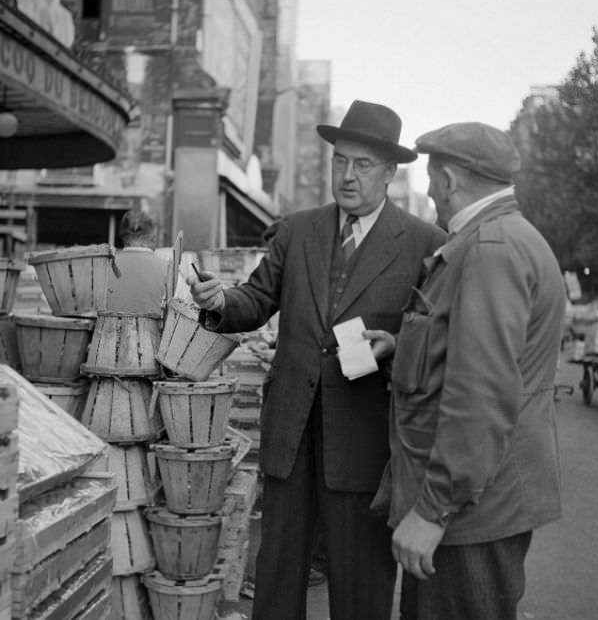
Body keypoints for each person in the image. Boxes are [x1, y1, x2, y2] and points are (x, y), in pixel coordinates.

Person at [190, 99, 445, 620]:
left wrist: (395, 349)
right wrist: (220, 302)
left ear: (390, 173)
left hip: (364, 440)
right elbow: (257, 299)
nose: (347, 176)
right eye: (339, 161)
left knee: (361, 581)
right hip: (292, 430)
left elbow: (437, 344)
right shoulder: (297, 230)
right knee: (279, 572)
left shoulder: (425, 244)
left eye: (362, 165)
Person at [383, 122, 566, 620]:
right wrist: (402, 347)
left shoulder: (490, 248)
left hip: (471, 511)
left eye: (431, 178)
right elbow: (471, 352)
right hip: (481, 502)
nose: (428, 191)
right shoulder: (500, 239)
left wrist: (432, 509)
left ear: (451, 179)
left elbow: (481, 394)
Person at [106, 209, 171, 314]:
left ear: (122, 235)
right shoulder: (170, 270)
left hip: (106, 330)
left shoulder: (102, 268)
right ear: (153, 235)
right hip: (154, 330)